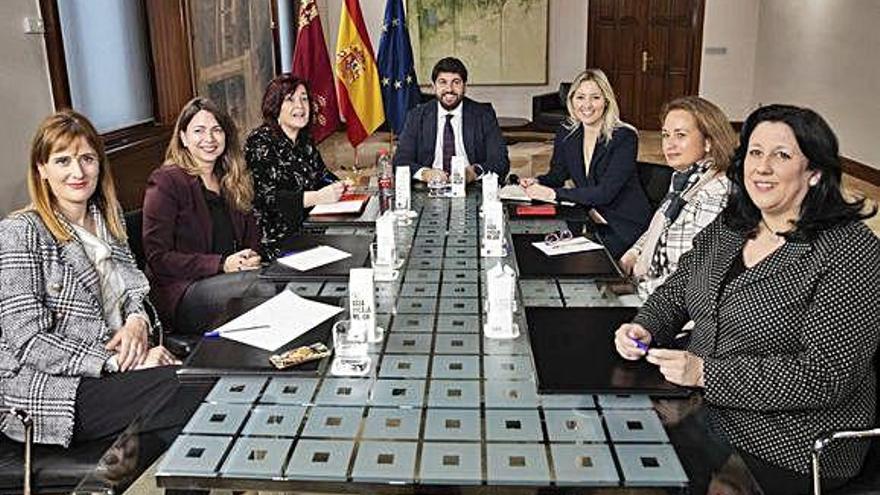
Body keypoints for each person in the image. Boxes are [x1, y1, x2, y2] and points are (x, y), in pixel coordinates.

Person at [614, 104, 879, 493]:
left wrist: (705, 373)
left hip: (787, 439)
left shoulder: (848, 250)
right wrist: (644, 324)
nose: (762, 167)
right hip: (698, 406)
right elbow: (677, 290)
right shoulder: (734, 223)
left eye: (782, 155)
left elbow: (827, 375)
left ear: (816, 172)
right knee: (605, 447)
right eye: (755, 152)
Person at [0, 110, 180, 447]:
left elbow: (135, 295)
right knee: (185, 390)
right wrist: (120, 363)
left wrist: (137, 323)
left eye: (86, 159)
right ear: (42, 169)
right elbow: (28, 341)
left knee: (183, 410)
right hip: (54, 388)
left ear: (100, 164)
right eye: (63, 160)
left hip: (118, 369)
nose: (78, 172)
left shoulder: (109, 222)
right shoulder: (20, 232)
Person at [143, 97, 275, 335]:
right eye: (199, 131)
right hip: (185, 291)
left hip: (235, 279)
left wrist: (251, 258)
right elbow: (158, 257)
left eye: (217, 130)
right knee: (262, 289)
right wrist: (222, 264)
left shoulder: (232, 178)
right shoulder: (167, 181)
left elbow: (251, 236)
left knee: (283, 282)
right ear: (183, 138)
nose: (210, 139)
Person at [519, 69, 650, 257]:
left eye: (595, 97)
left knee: (576, 260)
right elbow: (557, 175)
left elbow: (605, 193)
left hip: (623, 225)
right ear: (571, 100)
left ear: (606, 100)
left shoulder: (624, 136)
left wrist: (552, 194)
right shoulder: (567, 132)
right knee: (537, 248)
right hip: (586, 219)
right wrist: (537, 182)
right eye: (580, 97)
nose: (587, 105)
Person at [619, 96, 737, 294]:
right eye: (666, 135)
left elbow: (693, 278)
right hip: (651, 287)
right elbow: (659, 228)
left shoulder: (715, 195)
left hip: (671, 309)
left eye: (680, 135)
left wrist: (633, 290)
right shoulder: (686, 179)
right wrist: (634, 253)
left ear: (708, 142)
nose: (669, 144)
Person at [245, 74, 346, 258]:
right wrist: (317, 197)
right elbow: (268, 198)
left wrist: (342, 186)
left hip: (313, 228)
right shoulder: (260, 141)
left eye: (304, 99)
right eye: (290, 99)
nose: (300, 106)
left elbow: (322, 175)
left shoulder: (303, 140)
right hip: (278, 241)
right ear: (275, 107)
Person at [393, 57, 510, 183]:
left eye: (456, 82)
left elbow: (500, 162)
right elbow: (400, 162)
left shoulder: (484, 115)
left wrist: (473, 172)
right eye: (442, 82)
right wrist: (426, 174)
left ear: (464, 86)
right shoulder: (416, 116)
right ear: (434, 86)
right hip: (430, 188)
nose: (449, 89)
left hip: (472, 187)